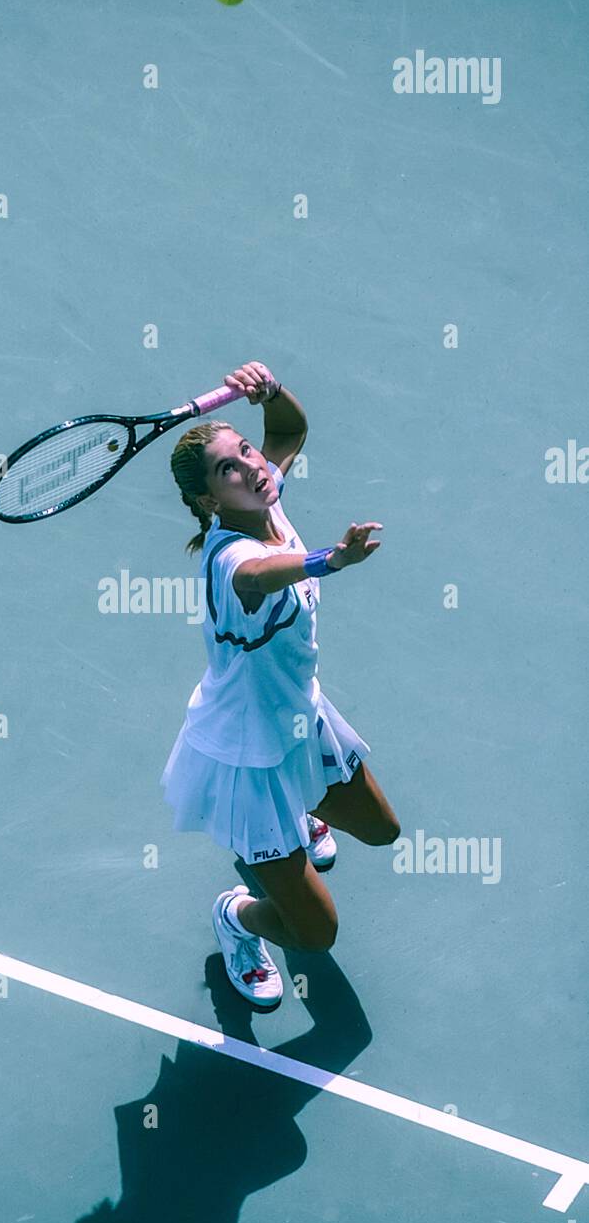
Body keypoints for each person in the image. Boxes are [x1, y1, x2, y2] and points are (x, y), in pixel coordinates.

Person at [161, 362, 400, 1007]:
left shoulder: (264, 499)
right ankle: (237, 917)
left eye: (245, 450)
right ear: (212, 499)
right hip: (247, 758)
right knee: (315, 933)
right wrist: (333, 558)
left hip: (299, 720)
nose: (251, 466)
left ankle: (303, 809)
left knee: (382, 831)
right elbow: (267, 573)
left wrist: (270, 393)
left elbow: (290, 430)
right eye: (229, 469)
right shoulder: (234, 560)